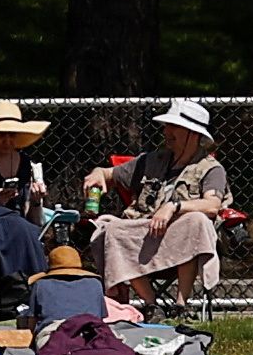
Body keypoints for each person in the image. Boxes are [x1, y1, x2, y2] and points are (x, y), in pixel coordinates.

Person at [101, 101, 239, 302]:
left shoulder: (211, 169)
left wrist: (173, 206)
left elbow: (212, 205)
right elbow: (108, 174)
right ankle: (150, 303)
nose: (166, 131)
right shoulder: (151, 161)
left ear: (192, 133)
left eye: (173, 127)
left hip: (180, 240)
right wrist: (98, 175)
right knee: (109, 229)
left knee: (196, 222)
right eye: (166, 126)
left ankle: (181, 305)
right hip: (143, 236)